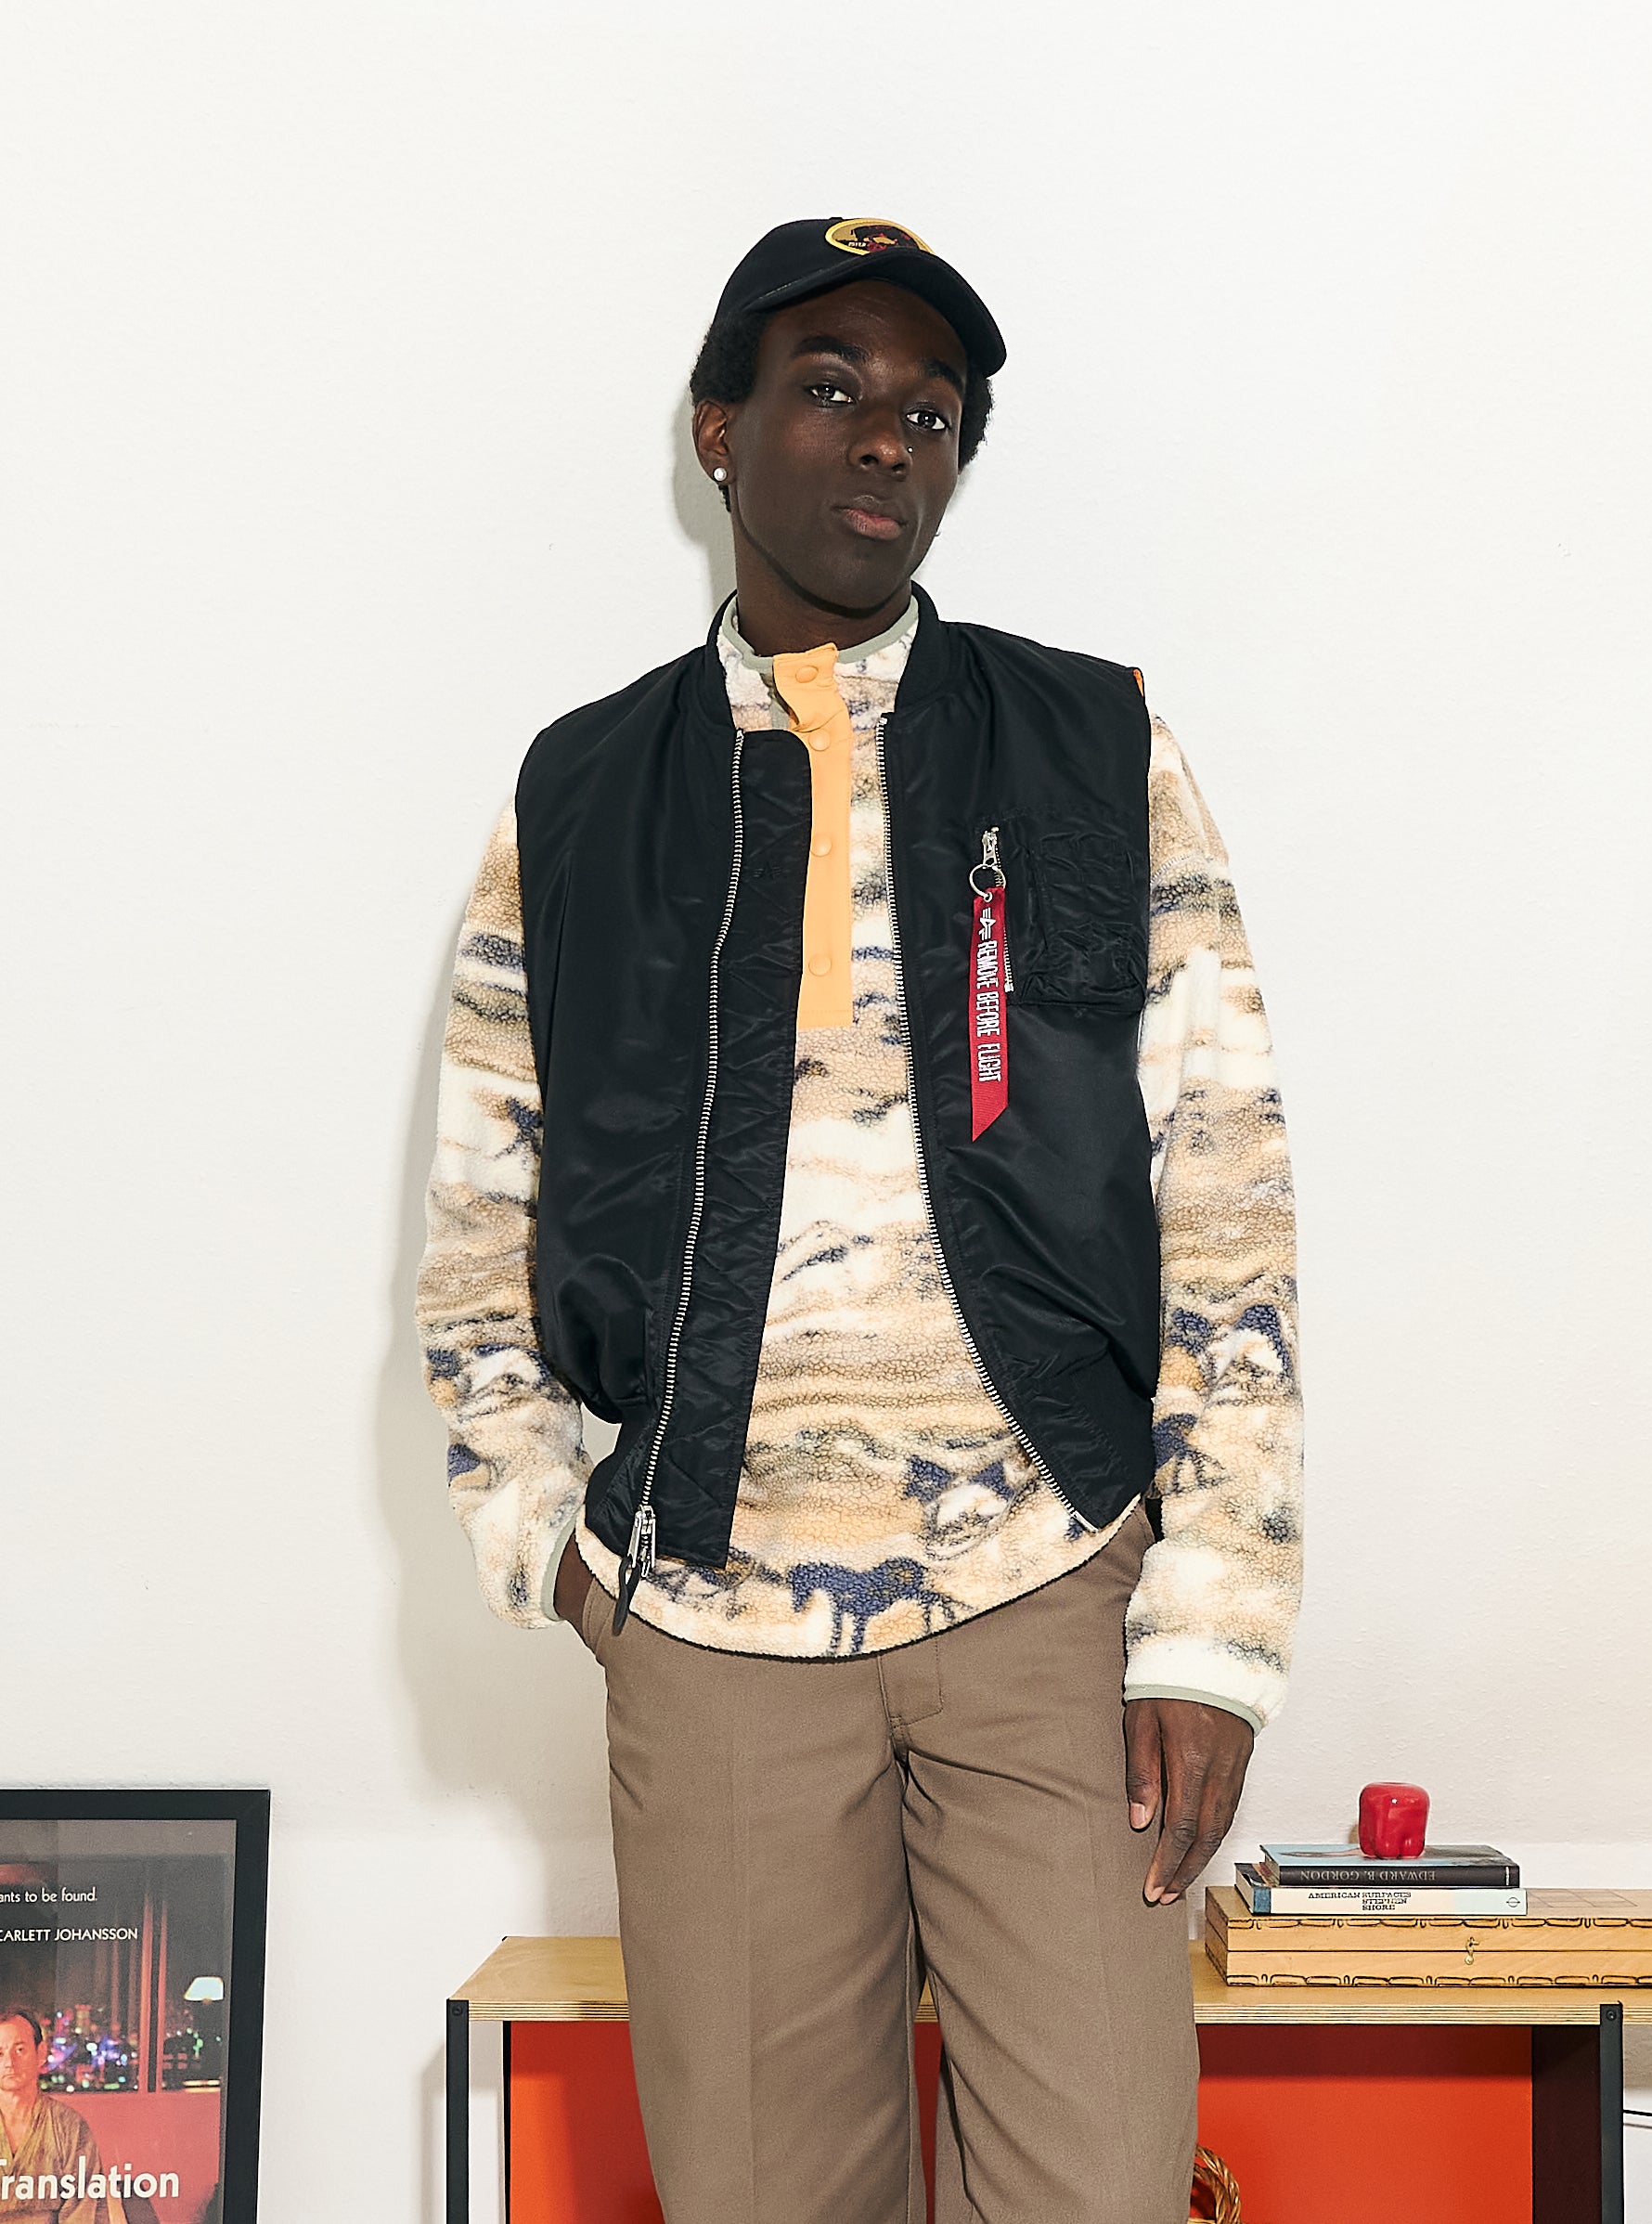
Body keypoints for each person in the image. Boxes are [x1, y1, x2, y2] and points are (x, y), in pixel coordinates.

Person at [418, 216, 1303, 2223]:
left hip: (1051, 1596)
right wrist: (553, 1546)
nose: (886, 439)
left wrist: (1212, 1625)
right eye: (828, 388)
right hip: (709, 1624)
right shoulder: (579, 796)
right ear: (718, 432)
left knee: (1096, 2188)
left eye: (932, 411)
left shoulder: (1091, 745)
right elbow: (480, 1213)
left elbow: (1225, 1187)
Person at [0, 2010, 113, 2224]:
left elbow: (84, 2212)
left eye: (20, 2050)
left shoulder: (69, 2127)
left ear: (40, 2053)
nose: (9, 2063)